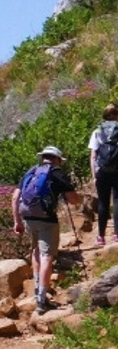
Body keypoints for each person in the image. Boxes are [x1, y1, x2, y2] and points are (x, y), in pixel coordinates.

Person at [11, 145, 81, 313]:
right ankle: (42, 300)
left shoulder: (31, 171)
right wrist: (77, 201)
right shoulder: (57, 172)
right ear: (56, 159)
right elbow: (73, 199)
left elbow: (15, 198)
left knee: (36, 251)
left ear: (43, 157)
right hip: (47, 219)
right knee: (47, 256)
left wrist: (17, 222)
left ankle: (37, 288)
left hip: (28, 217)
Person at [88, 103, 118, 246]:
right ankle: (117, 235)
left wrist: (94, 175)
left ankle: (100, 236)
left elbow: (93, 156)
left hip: (102, 172)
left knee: (103, 203)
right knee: (117, 202)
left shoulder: (97, 131)